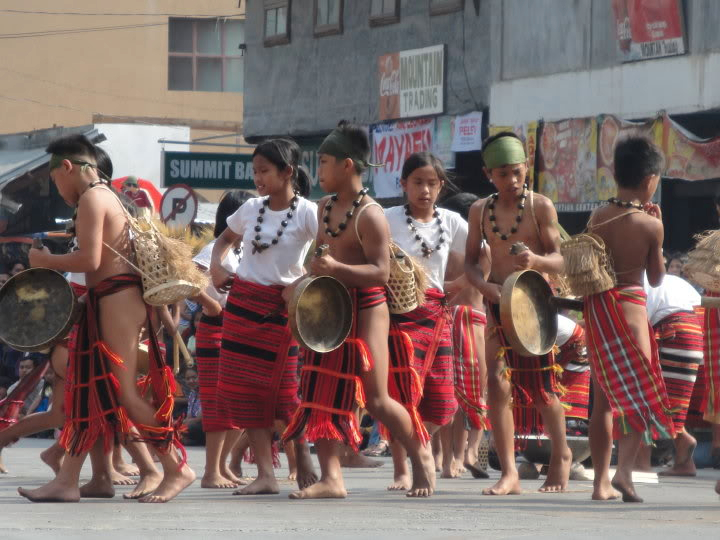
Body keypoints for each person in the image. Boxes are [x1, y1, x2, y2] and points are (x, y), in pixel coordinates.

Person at [21, 134, 194, 503]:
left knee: (126, 394)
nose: (57, 188)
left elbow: (90, 261)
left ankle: (176, 468)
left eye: (55, 180)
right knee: (90, 390)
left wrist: (46, 262)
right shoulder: (106, 196)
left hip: (117, 300)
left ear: (67, 168)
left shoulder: (92, 199)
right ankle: (68, 479)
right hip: (111, 299)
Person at [282, 122, 435, 499]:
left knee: (379, 400)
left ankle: (421, 458)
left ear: (347, 165)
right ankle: (332, 478)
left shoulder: (370, 214)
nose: (318, 171)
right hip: (330, 309)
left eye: (325, 162)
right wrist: (304, 278)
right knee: (322, 395)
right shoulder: (324, 208)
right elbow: (320, 256)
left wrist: (337, 270)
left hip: (368, 307)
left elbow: (380, 272)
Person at [465, 131, 571, 495]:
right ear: (488, 174)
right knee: (496, 384)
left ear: (527, 168)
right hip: (497, 303)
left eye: (516, 172)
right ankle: (508, 470)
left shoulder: (541, 206)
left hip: (534, 304)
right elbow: (470, 263)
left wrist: (537, 260)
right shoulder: (480, 210)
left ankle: (561, 456)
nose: (511, 181)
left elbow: (559, 260)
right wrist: (483, 287)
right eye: (502, 174)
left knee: (543, 388)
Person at [210, 138, 318, 496]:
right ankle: (266, 475)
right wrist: (215, 268)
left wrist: (300, 282)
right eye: (255, 171)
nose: (258, 178)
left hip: (282, 309)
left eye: (264, 171)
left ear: (287, 172)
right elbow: (223, 240)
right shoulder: (251, 208)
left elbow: (327, 256)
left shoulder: (307, 212)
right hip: (242, 305)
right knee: (243, 392)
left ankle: (300, 450)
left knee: (285, 392)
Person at [582, 135, 673, 503]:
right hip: (632, 311)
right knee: (639, 398)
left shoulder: (596, 217)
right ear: (651, 179)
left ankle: (600, 481)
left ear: (615, 173)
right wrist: (660, 235)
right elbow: (655, 278)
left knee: (602, 400)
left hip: (600, 311)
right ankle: (624, 473)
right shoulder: (650, 226)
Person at [383, 153, 466, 488]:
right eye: (417, 182)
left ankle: (419, 443)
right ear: (403, 184)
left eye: (432, 183)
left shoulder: (452, 221)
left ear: (441, 186)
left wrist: (455, 287)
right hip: (398, 314)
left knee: (443, 397)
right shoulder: (386, 218)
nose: (425, 189)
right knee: (404, 393)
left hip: (437, 313)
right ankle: (403, 469)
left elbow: (481, 256)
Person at [193, 189, 251, 488]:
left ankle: (223, 466)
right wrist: (209, 303)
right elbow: (187, 278)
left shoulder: (247, 249)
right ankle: (210, 471)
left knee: (238, 404)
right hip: (216, 328)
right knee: (217, 404)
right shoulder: (216, 247)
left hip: (240, 329)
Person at [440, 192, 490, 479]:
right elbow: (474, 282)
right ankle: (468, 452)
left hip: (452, 315)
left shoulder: (447, 246)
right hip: (470, 318)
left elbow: (462, 282)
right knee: (476, 392)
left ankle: (452, 458)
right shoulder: (482, 248)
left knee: (455, 394)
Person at [635, 274, 703, 476]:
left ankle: (641, 463)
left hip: (671, 334)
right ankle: (684, 461)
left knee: (644, 398)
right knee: (671, 402)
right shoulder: (675, 280)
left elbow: (638, 320)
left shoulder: (638, 280)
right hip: (693, 332)